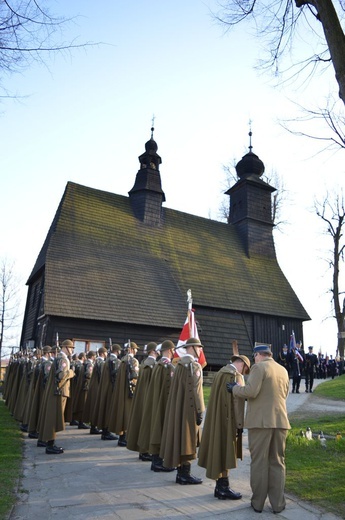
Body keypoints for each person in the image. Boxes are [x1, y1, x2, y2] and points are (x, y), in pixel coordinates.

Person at [227, 344, 291, 514]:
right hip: (281, 422)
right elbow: (284, 394)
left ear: (257, 355)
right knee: (278, 462)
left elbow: (251, 391)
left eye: (254, 356)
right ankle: (278, 504)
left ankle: (258, 503)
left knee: (259, 463)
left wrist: (234, 389)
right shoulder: (283, 370)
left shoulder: (258, 367)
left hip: (260, 423)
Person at [198, 353, 251, 500]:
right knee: (227, 452)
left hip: (217, 418)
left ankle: (220, 486)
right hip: (229, 421)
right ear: (242, 364)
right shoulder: (236, 376)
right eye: (245, 370)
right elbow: (237, 404)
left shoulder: (220, 372)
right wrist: (240, 424)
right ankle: (223, 488)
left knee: (219, 451)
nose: (244, 373)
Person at [160, 337, 205, 485]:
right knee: (188, 439)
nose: (200, 350)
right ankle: (185, 474)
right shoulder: (194, 366)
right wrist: (200, 411)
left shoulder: (178, 365)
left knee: (180, 437)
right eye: (198, 347)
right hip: (189, 408)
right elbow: (196, 391)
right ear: (192, 348)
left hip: (179, 406)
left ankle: (181, 473)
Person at [139, 340, 176, 472]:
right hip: (163, 404)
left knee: (156, 428)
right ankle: (157, 462)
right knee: (159, 430)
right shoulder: (166, 366)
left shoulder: (158, 365)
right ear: (170, 350)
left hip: (155, 402)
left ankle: (157, 460)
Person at [38, 339, 75, 454]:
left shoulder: (59, 358)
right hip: (59, 391)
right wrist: (71, 372)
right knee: (53, 418)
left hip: (57, 390)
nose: (72, 350)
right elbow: (61, 375)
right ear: (66, 347)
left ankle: (51, 443)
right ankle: (50, 444)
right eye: (71, 348)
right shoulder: (63, 359)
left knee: (53, 417)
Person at [126, 342, 159, 460]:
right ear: (154, 351)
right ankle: (145, 451)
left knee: (142, 422)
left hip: (142, 396)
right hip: (148, 397)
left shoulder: (144, 363)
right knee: (147, 423)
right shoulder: (153, 364)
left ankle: (142, 451)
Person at [108, 341, 139, 446]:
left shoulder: (122, 360)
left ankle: (123, 437)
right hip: (129, 391)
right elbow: (134, 376)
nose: (136, 351)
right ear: (132, 350)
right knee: (128, 413)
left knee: (124, 413)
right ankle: (124, 437)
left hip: (123, 390)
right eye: (135, 349)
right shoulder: (133, 361)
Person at [93, 343, 122, 440]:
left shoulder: (106, 361)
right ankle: (106, 432)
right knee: (109, 408)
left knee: (105, 408)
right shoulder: (116, 361)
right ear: (117, 351)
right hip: (111, 388)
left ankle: (105, 431)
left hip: (105, 387)